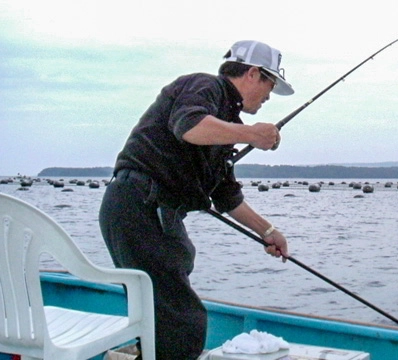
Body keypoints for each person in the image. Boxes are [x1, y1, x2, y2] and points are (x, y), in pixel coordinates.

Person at [99, 40, 293, 360]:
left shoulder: (225, 127)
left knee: (165, 318)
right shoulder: (203, 85)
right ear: (253, 74)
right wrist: (252, 135)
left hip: (154, 213)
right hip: (139, 205)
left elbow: (226, 196)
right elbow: (188, 126)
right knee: (182, 323)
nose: (269, 96)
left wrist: (268, 232)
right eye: (270, 85)